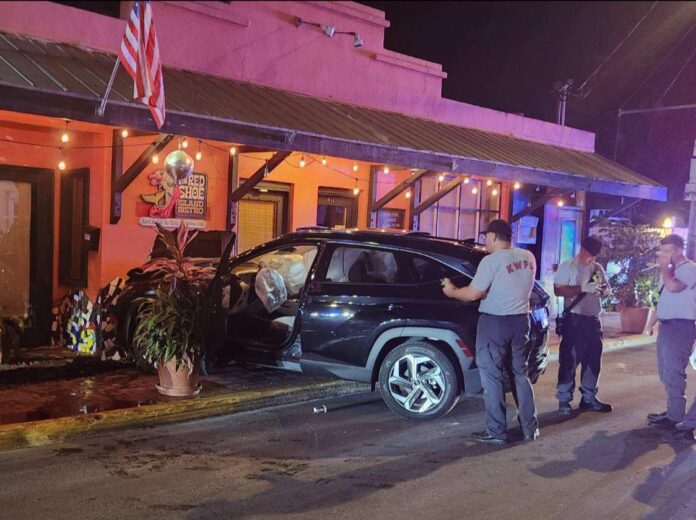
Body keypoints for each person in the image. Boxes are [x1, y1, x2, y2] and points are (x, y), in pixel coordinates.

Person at [442, 219, 538, 445]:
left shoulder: (491, 261)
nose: (485, 241)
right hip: (521, 321)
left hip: (495, 324)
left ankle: (496, 431)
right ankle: (530, 429)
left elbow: (472, 294)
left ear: (494, 237)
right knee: (520, 375)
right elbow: (511, 285)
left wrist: (452, 291)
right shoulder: (528, 257)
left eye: (486, 237)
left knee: (492, 376)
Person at [553, 236, 613, 416]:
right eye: (589, 253)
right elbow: (558, 290)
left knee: (593, 361)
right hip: (575, 320)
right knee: (569, 361)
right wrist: (582, 288)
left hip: (593, 320)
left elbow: (606, 289)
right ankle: (564, 400)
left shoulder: (597, 268)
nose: (591, 258)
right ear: (583, 249)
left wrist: (604, 291)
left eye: (594, 254)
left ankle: (588, 397)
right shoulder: (569, 266)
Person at [644, 234, 696, 441]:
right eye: (661, 252)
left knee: (674, 372)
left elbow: (674, 287)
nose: (661, 256)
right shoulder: (668, 273)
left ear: (677, 251)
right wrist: (649, 325)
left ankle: (676, 416)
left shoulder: (690, 270)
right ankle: (672, 411)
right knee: (665, 372)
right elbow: (660, 301)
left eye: (666, 252)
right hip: (666, 327)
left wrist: (665, 268)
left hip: (681, 327)